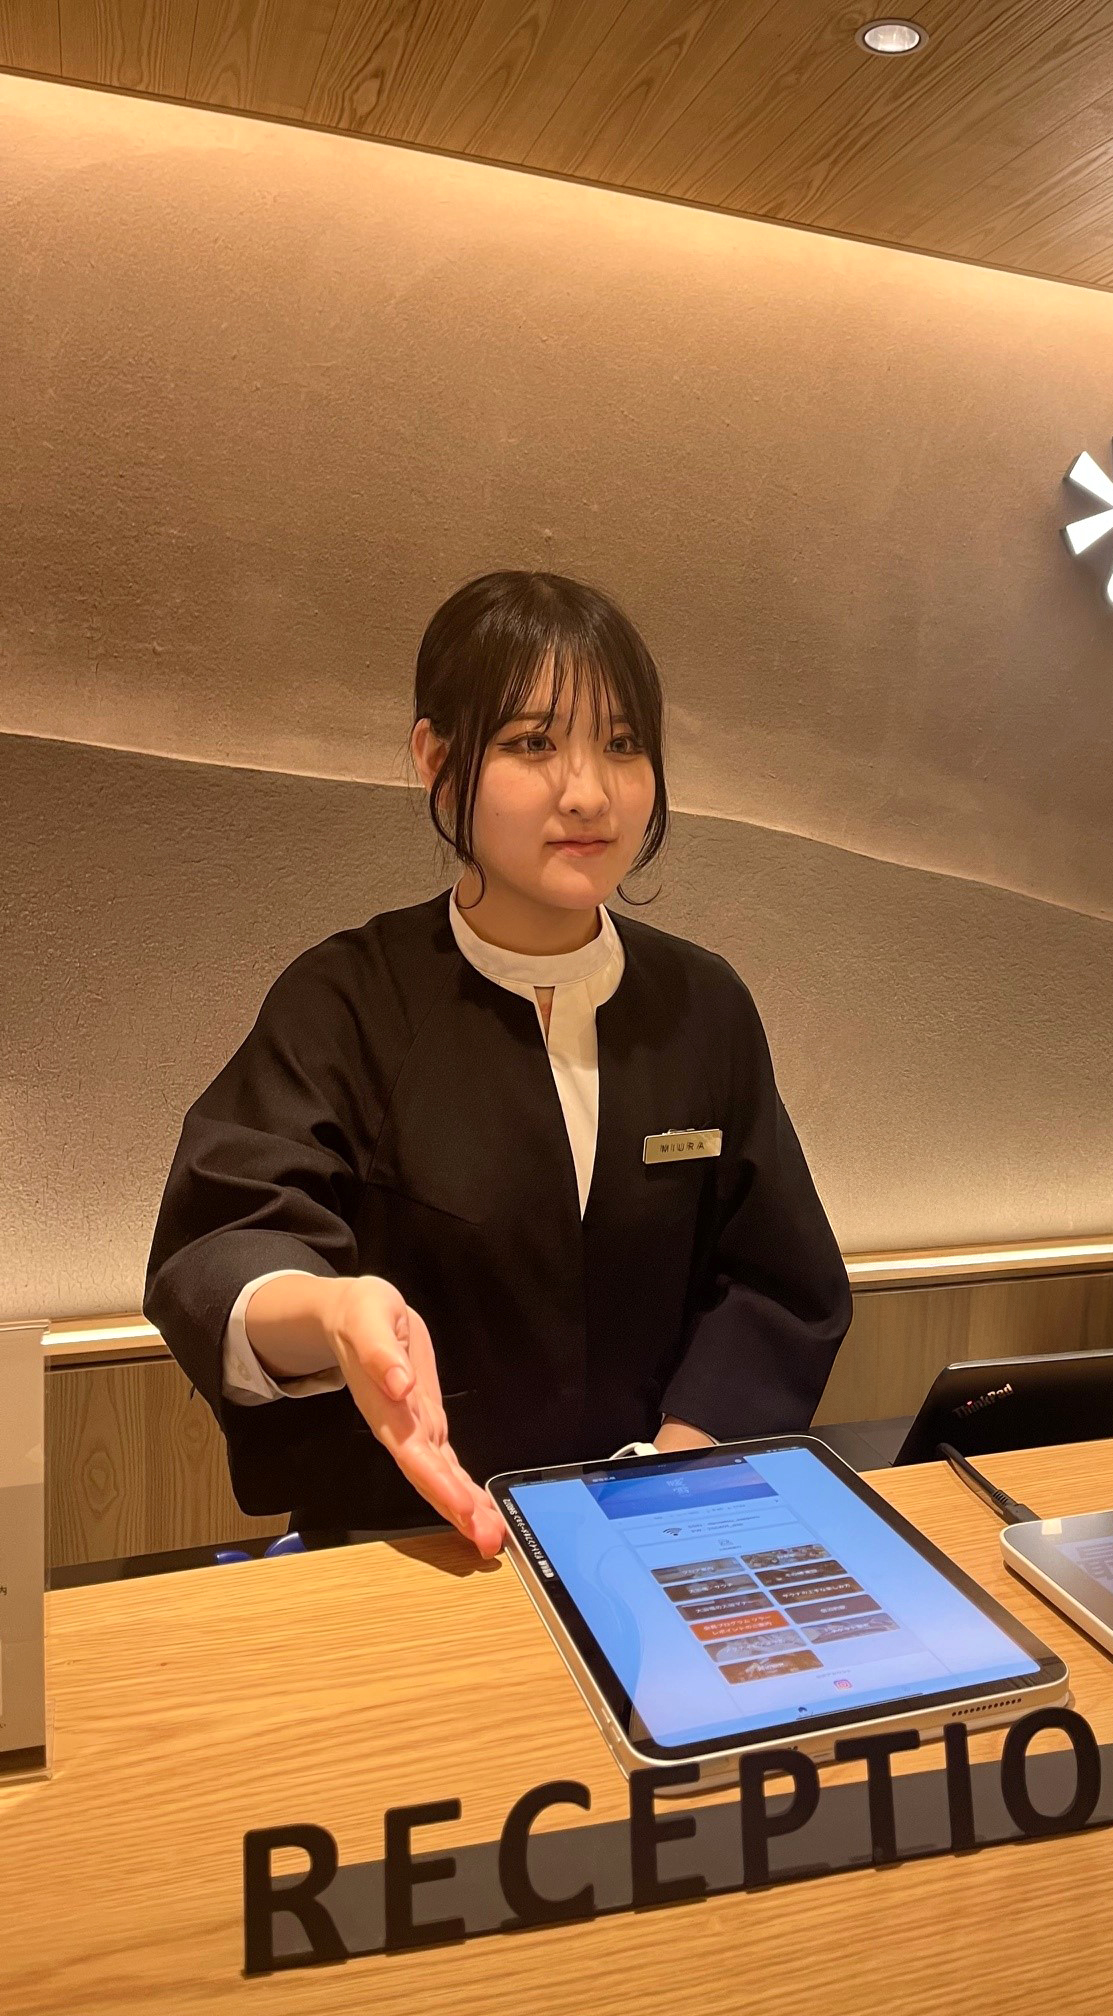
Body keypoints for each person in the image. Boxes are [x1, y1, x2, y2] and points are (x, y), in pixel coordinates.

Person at [143, 571, 852, 1558]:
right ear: (439, 763)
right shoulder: (348, 998)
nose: (588, 791)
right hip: (417, 1547)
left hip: (661, 1534)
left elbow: (776, 1282)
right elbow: (225, 1241)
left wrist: (670, 1477)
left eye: (622, 744)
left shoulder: (704, 1004)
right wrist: (337, 1311)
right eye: (532, 743)